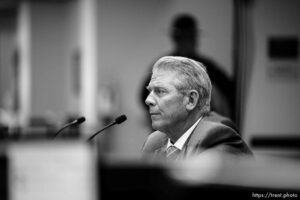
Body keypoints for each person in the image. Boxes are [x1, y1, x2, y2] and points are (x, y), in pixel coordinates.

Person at [141, 56, 252, 161]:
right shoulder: (153, 143)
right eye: (150, 91)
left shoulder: (216, 137)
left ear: (191, 100)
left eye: (160, 91)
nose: (148, 100)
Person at [140, 14, 234, 125]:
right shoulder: (164, 66)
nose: (187, 42)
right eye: (184, 38)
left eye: (189, 38)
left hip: (201, 128)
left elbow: (230, 91)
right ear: (176, 40)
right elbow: (144, 96)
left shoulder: (207, 67)